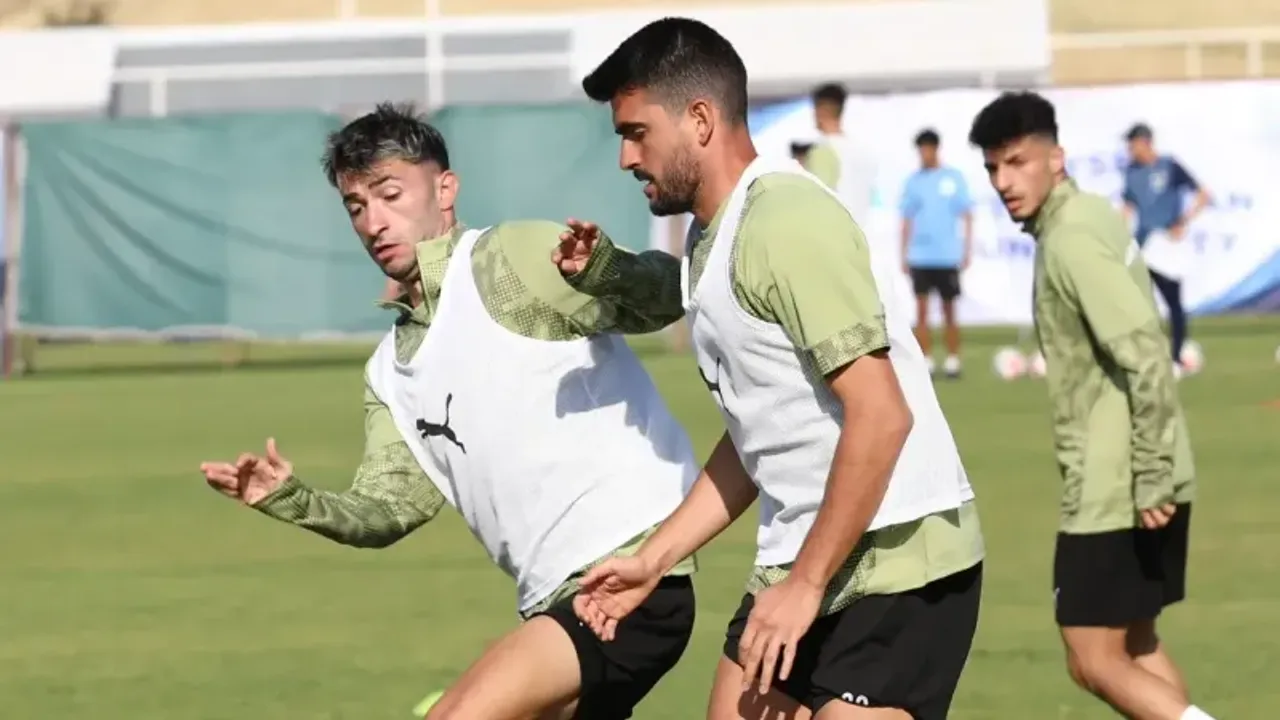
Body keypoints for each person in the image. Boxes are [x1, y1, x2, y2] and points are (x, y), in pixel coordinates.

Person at [198, 102, 701, 720]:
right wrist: (292, 499)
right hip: (552, 599)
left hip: (630, 576)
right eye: (356, 207)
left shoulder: (509, 258)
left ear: (445, 190)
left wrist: (607, 271)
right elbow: (390, 508)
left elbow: (666, 297)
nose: (373, 222)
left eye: (390, 195)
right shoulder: (390, 371)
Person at [567, 18, 984, 720]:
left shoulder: (784, 219)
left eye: (637, 133)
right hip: (804, 557)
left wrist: (807, 585)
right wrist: (653, 560)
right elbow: (759, 437)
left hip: (900, 557)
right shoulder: (711, 237)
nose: (626, 158)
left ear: (700, 120)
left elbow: (882, 414)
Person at [969, 92, 1211, 720]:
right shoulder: (1091, 214)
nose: (1003, 182)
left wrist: (1151, 472)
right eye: (993, 168)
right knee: (1135, 644)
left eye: (1017, 163)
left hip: (1120, 483)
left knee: (1091, 657)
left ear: (1056, 157)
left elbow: (1146, 354)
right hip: (1147, 467)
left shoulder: (1071, 238)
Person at [1122, 123, 1212, 374]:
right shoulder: (1132, 172)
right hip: (1142, 243)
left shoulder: (1169, 166)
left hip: (1166, 245)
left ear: (1145, 142)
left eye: (1133, 144)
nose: (1130, 149)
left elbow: (1203, 194)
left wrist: (1183, 220)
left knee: (1173, 302)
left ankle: (1176, 356)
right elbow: (1128, 207)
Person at [899, 128, 973, 378]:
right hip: (921, 255)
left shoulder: (952, 178)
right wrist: (904, 254)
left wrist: (966, 249)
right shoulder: (914, 181)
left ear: (936, 149)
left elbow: (967, 214)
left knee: (949, 309)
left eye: (928, 148)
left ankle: (953, 358)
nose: (925, 153)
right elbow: (906, 219)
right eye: (921, 149)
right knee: (921, 310)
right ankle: (926, 359)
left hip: (946, 255)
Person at [800, 82, 877, 224]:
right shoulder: (862, 152)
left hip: (830, 231)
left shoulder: (820, 152)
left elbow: (816, 200)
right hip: (859, 231)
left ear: (821, 110)